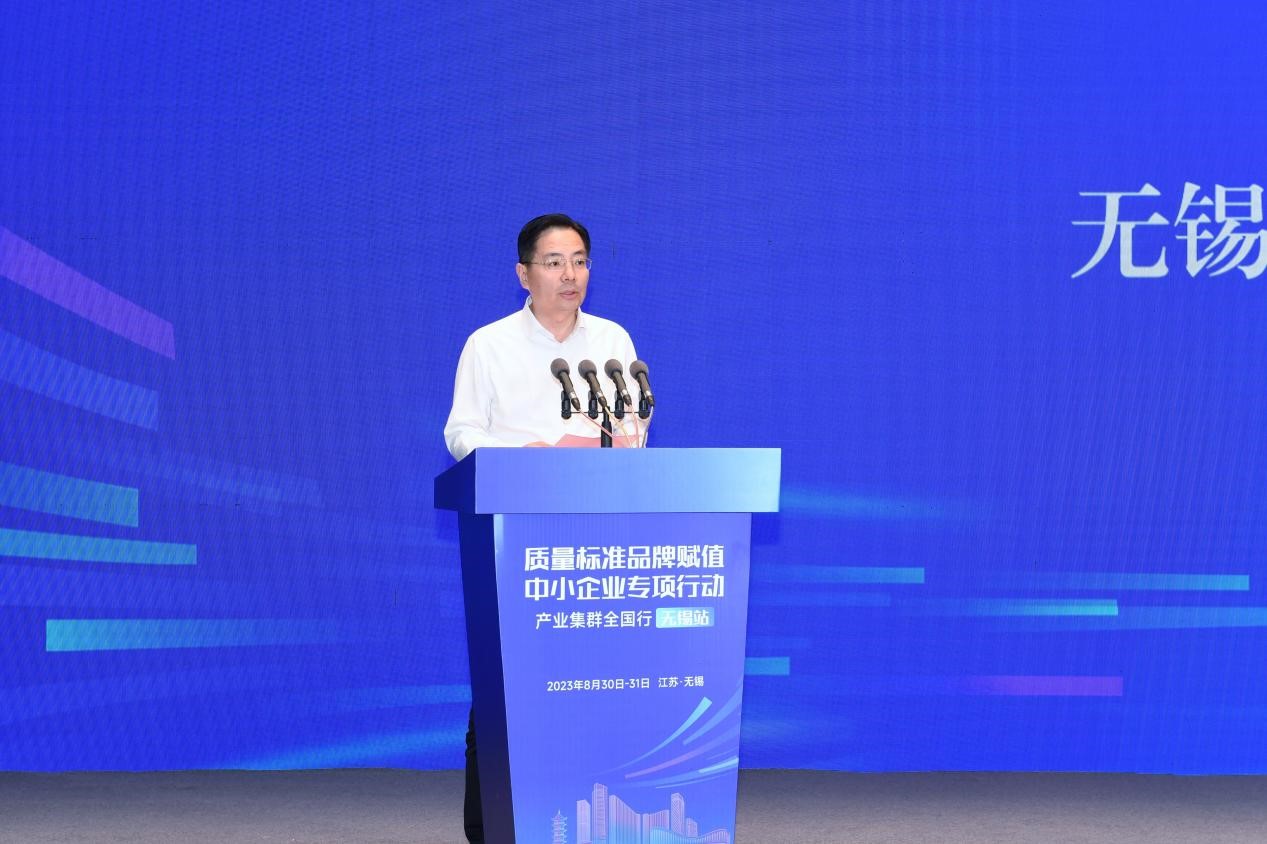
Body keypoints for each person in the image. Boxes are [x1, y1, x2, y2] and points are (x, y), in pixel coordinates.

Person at [444, 213, 644, 843]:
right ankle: (490, 827)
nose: (570, 274)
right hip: (514, 533)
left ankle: (587, 818)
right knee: (508, 683)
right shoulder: (489, 345)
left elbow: (633, 431)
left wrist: (616, 445)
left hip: (596, 534)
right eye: (555, 262)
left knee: (590, 682)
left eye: (580, 261)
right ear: (523, 273)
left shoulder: (612, 340)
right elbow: (461, 433)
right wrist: (526, 455)